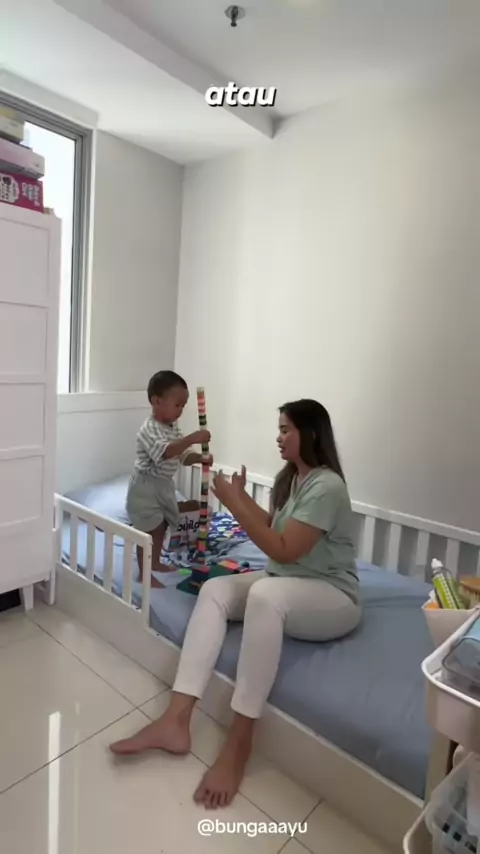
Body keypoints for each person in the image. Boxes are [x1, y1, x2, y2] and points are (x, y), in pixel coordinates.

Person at [112, 399, 362, 808]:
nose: (278, 437)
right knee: (215, 589)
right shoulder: (296, 480)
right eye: (279, 429)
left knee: (264, 596)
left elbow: (282, 549)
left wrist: (231, 502)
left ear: (311, 433)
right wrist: (241, 498)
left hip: (332, 593)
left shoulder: (328, 486)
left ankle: (239, 743)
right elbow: (275, 526)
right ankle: (176, 720)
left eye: (286, 429)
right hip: (290, 580)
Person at [127, 370, 212, 586]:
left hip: (163, 487)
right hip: (145, 488)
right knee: (149, 531)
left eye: (183, 405)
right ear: (157, 401)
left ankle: (155, 562)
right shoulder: (148, 429)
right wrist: (193, 438)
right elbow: (167, 452)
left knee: (161, 526)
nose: (181, 410)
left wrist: (199, 458)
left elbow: (183, 455)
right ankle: (144, 574)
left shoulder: (172, 428)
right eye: (177, 405)